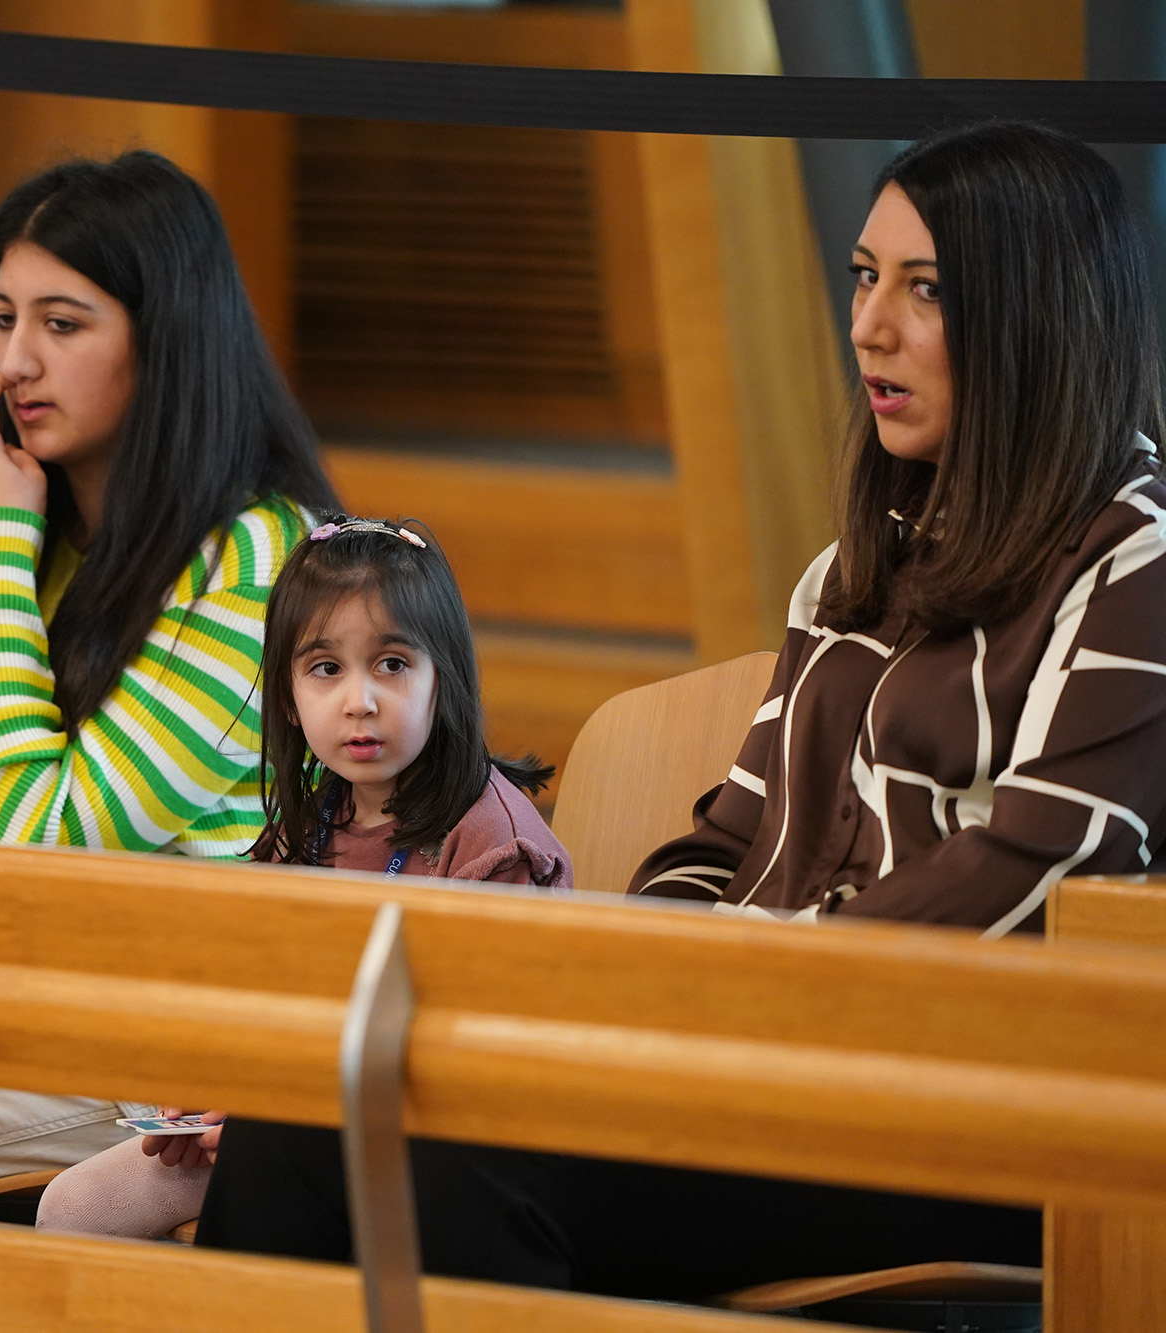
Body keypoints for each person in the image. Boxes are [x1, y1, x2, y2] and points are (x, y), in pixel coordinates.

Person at [192, 120, 1164, 1299]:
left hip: (956, 1108)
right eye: (863, 278)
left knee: (464, 1157)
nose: (868, 324)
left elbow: (1057, 854)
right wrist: (653, 976)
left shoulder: (1133, 561)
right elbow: (720, 842)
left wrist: (757, 974)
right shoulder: (850, 567)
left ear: (1035, 316)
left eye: (924, 290)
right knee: (297, 1120)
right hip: (745, 1063)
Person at [0, 151, 342, 1211]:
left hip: (159, 1053)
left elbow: (38, 845)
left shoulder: (263, 558)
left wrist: (1, 535)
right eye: (2, 319)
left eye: (62, 323)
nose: (12, 361)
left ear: (164, 341)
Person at [36, 516, 570, 1238]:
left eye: (393, 664)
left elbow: (487, 1076)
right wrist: (212, 1091)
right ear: (288, 696)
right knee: (73, 1209)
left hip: (436, 1156)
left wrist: (278, 1114)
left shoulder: (491, 845)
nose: (360, 699)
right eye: (326, 668)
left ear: (444, 677)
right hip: (289, 1120)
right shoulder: (313, 819)